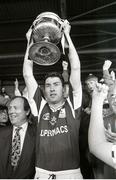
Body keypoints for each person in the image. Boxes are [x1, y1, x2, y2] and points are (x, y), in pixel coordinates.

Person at [23, 18, 83, 179]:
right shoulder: (39, 106)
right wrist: (30, 40)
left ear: (63, 89)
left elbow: (76, 67)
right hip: (41, 173)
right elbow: (27, 74)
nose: (51, 88)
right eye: (48, 85)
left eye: (56, 84)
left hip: (71, 174)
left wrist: (67, 36)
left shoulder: (73, 104)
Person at [0, 96, 37, 178]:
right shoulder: (1, 133)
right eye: (10, 108)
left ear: (27, 111)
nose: (11, 111)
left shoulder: (37, 134)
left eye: (15, 108)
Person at [89, 82, 116, 170]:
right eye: (112, 95)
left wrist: (97, 100)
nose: (115, 100)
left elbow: (96, 145)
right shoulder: (103, 121)